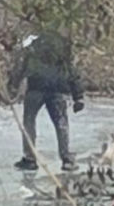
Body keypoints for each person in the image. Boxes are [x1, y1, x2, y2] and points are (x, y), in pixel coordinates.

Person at [8, 28, 84, 171]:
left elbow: (22, 66)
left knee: (29, 122)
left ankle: (30, 158)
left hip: (36, 88)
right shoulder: (62, 44)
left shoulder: (32, 43)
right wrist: (78, 96)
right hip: (56, 89)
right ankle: (66, 158)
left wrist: (13, 86)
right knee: (61, 124)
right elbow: (72, 70)